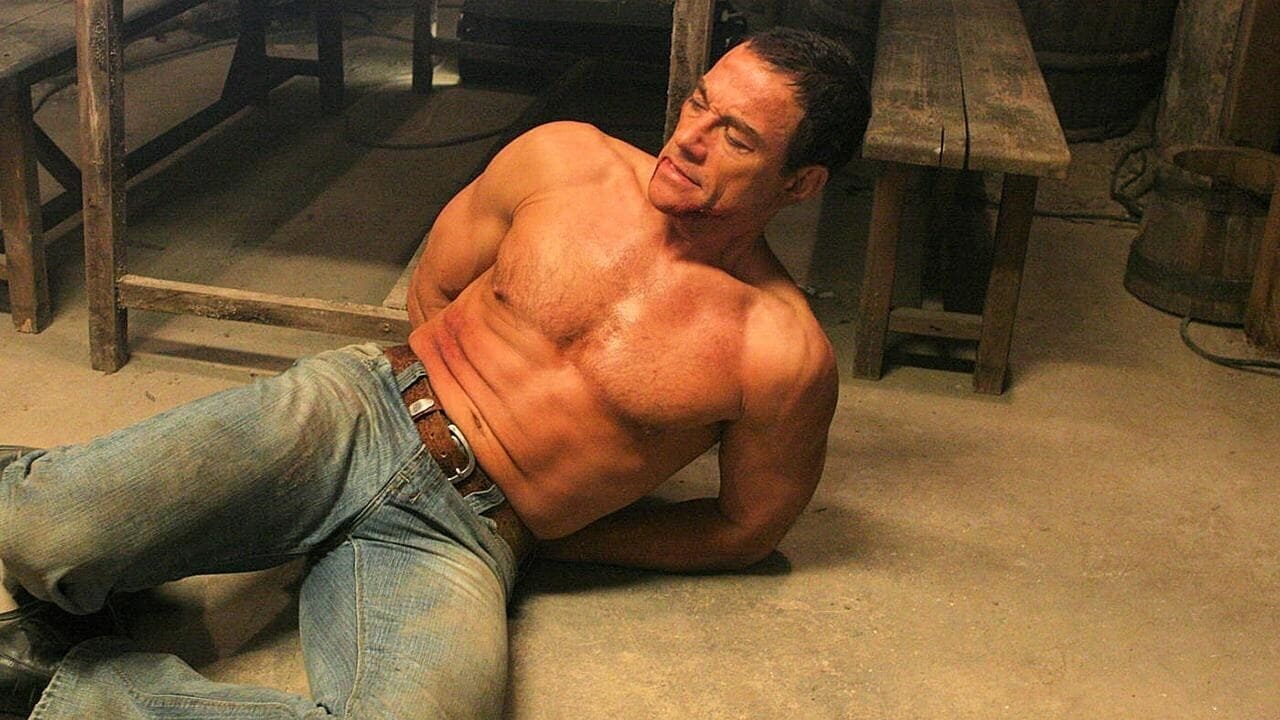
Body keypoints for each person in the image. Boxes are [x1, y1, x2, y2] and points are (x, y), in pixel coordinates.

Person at [0, 27, 869, 719]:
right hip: (358, 411)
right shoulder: (565, 159)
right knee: (39, 534)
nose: (689, 139)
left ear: (801, 183)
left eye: (735, 136)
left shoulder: (780, 353)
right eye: (698, 102)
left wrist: (560, 537)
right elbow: (438, 280)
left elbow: (743, 529)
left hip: (463, 536)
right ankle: (90, 508)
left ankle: (58, 679)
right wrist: (429, 399)